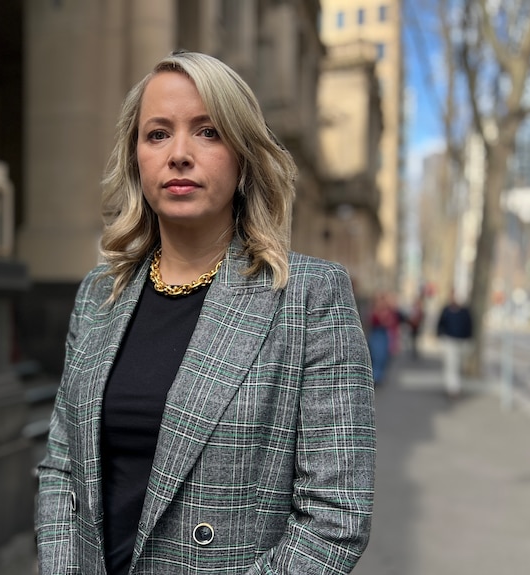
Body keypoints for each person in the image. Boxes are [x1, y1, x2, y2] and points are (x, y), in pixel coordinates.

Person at [36, 51, 376, 575]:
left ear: (243, 156)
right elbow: (61, 466)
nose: (179, 154)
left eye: (208, 132)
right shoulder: (98, 295)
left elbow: (334, 517)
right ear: (136, 160)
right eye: (157, 134)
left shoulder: (309, 296)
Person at [436, 291, 473, 398]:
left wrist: (468, 339)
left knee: (458, 365)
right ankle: (452, 388)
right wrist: (441, 336)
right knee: (450, 365)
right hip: (449, 340)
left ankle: (456, 385)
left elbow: (469, 326)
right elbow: (440, 324)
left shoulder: (465, 311)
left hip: (461, 342)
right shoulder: (446, 310)